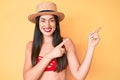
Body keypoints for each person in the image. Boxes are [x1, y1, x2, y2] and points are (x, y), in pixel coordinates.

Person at [23, 2, 101, 80]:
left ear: (56, 23)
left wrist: (91, 47)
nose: (47, 25)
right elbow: (27, 78)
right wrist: (50, 55)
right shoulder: (31, 46)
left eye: (51, 20)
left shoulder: (66, 42)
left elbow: (80, 76)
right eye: (43, 20)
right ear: (38, 23)